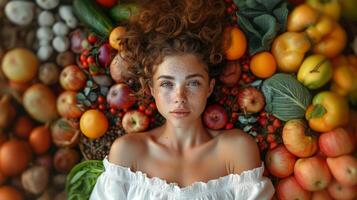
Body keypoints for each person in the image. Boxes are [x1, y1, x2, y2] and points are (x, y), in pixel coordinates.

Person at [90, 0, 274, 199]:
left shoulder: (237, 149)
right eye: (167, 84)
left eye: (193, 83)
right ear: (151, 89)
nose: (180, 97)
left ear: (209, 88)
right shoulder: (127, 154)